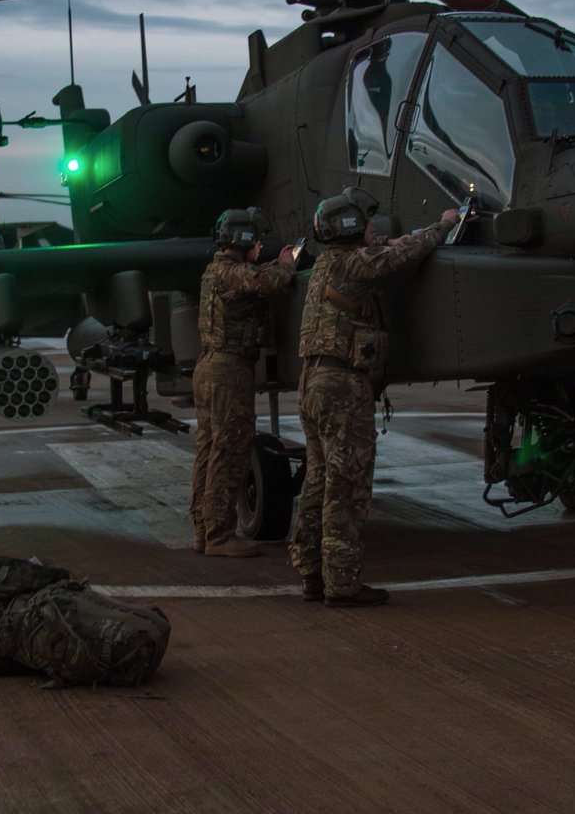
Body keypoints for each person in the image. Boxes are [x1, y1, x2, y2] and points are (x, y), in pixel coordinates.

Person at [289, 188, 461, 607]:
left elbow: (386, 247)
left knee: (318, 481)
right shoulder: (353, 264)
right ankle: (343, 584)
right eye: (365, 224)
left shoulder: (329, 262)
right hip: (342, 386)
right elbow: (401, 257)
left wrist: (394, 239)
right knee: (345, 485)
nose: (373, 230)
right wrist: (445, 224)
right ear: (351, 228)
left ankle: (312, 573)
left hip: (313, 382)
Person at [190, 207, 296, 558]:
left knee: (209, 448)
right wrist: (286, 262)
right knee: (230, 448)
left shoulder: (216, 270)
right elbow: (268, 281)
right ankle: (220, 534)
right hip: (229, 369)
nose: (259, 245)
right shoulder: (232, 272)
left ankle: (203, 529)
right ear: (244, 239)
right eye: (255, 239)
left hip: (211, 367)